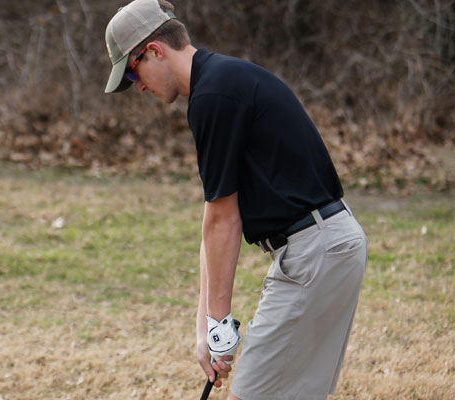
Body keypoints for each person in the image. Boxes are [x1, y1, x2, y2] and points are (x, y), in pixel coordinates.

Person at [104, 1, 368, 399]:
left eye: (131, 71)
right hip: (324, 247)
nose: (137, 86)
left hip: (316, 251)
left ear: (155, 51)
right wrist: (206, 328)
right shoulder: (220, 82)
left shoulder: (214, 97)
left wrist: (220, 322)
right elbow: (214, 222)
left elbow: (224, 222)